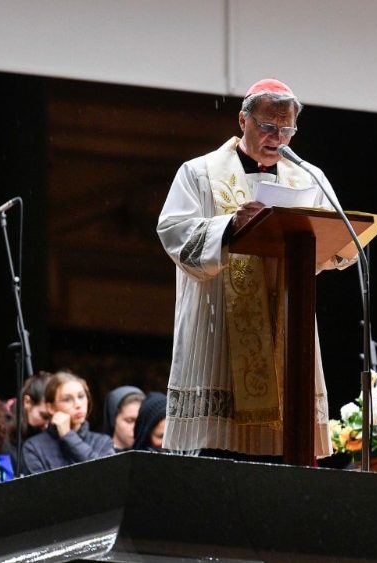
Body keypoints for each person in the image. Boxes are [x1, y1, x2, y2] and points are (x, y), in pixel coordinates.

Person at [157, 78, 352, 459]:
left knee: (285, 452)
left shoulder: (309, 178)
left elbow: (339, 241)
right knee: (222, 455)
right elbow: (174, 232)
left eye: (286, 129)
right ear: (242, 121)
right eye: (267, 126)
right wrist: (229, 226)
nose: (277, 137)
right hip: (220, 330)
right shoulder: (199, 172)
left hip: (286, 322)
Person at [22, 371, 114, 474]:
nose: (78, 404)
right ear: (50, 407)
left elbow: (106, 475)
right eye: (67, 399)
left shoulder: (102, 442)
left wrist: (68, 436)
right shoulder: (34, 447)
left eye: (81, 396)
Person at [102, 385, 145, 451]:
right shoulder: (97, 454)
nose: (136, 428)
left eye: (140, 421)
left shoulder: (153, 454)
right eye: (129, 421)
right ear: (113, 420)